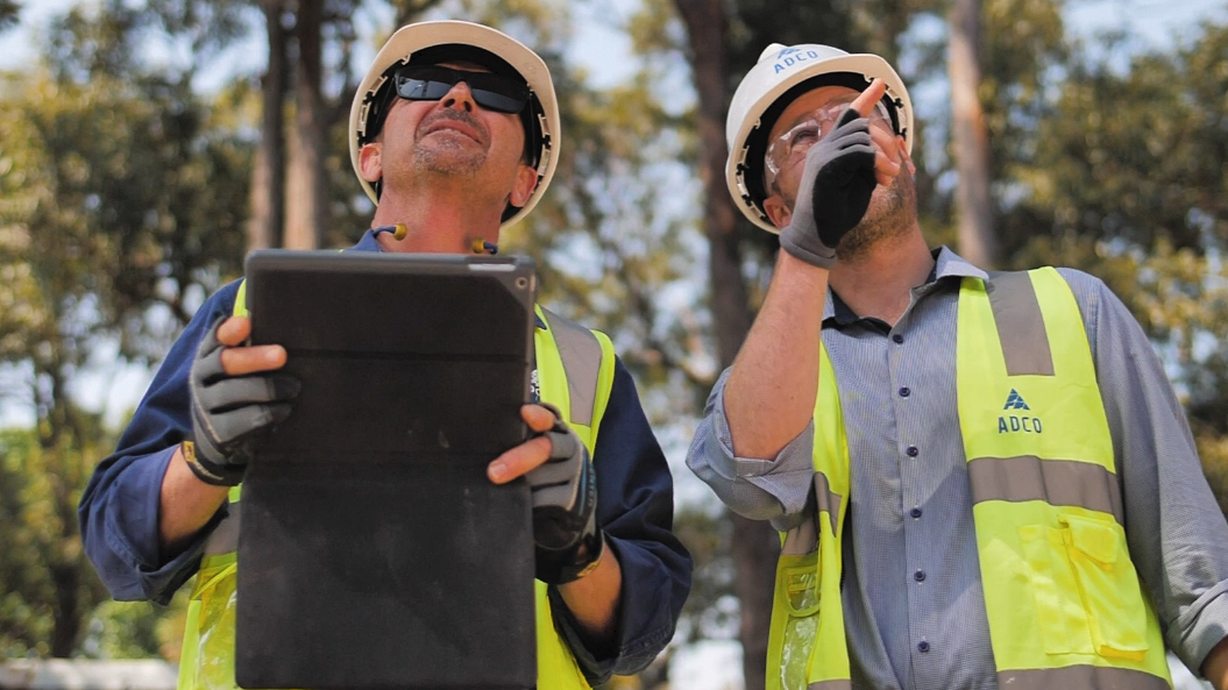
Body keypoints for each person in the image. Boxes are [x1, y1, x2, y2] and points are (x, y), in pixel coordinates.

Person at [79, 20, 691, 689]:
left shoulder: (587, 366)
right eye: (423, 83)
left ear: (525, 179)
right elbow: (116, 542)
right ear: (370, 157)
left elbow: (640, 629)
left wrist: (580, 546)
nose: (459, 96)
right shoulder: (248, 315)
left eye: (494, 94)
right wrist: (204, 458)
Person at [687, 41, 1228, 690]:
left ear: (901, 151)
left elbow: (1201, 579)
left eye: (854, 119)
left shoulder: (1072, 310)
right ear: (777, 211)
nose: (838, 139)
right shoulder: (783, 368)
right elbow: (745, 476)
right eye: (805, 136)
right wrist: (809, 244)